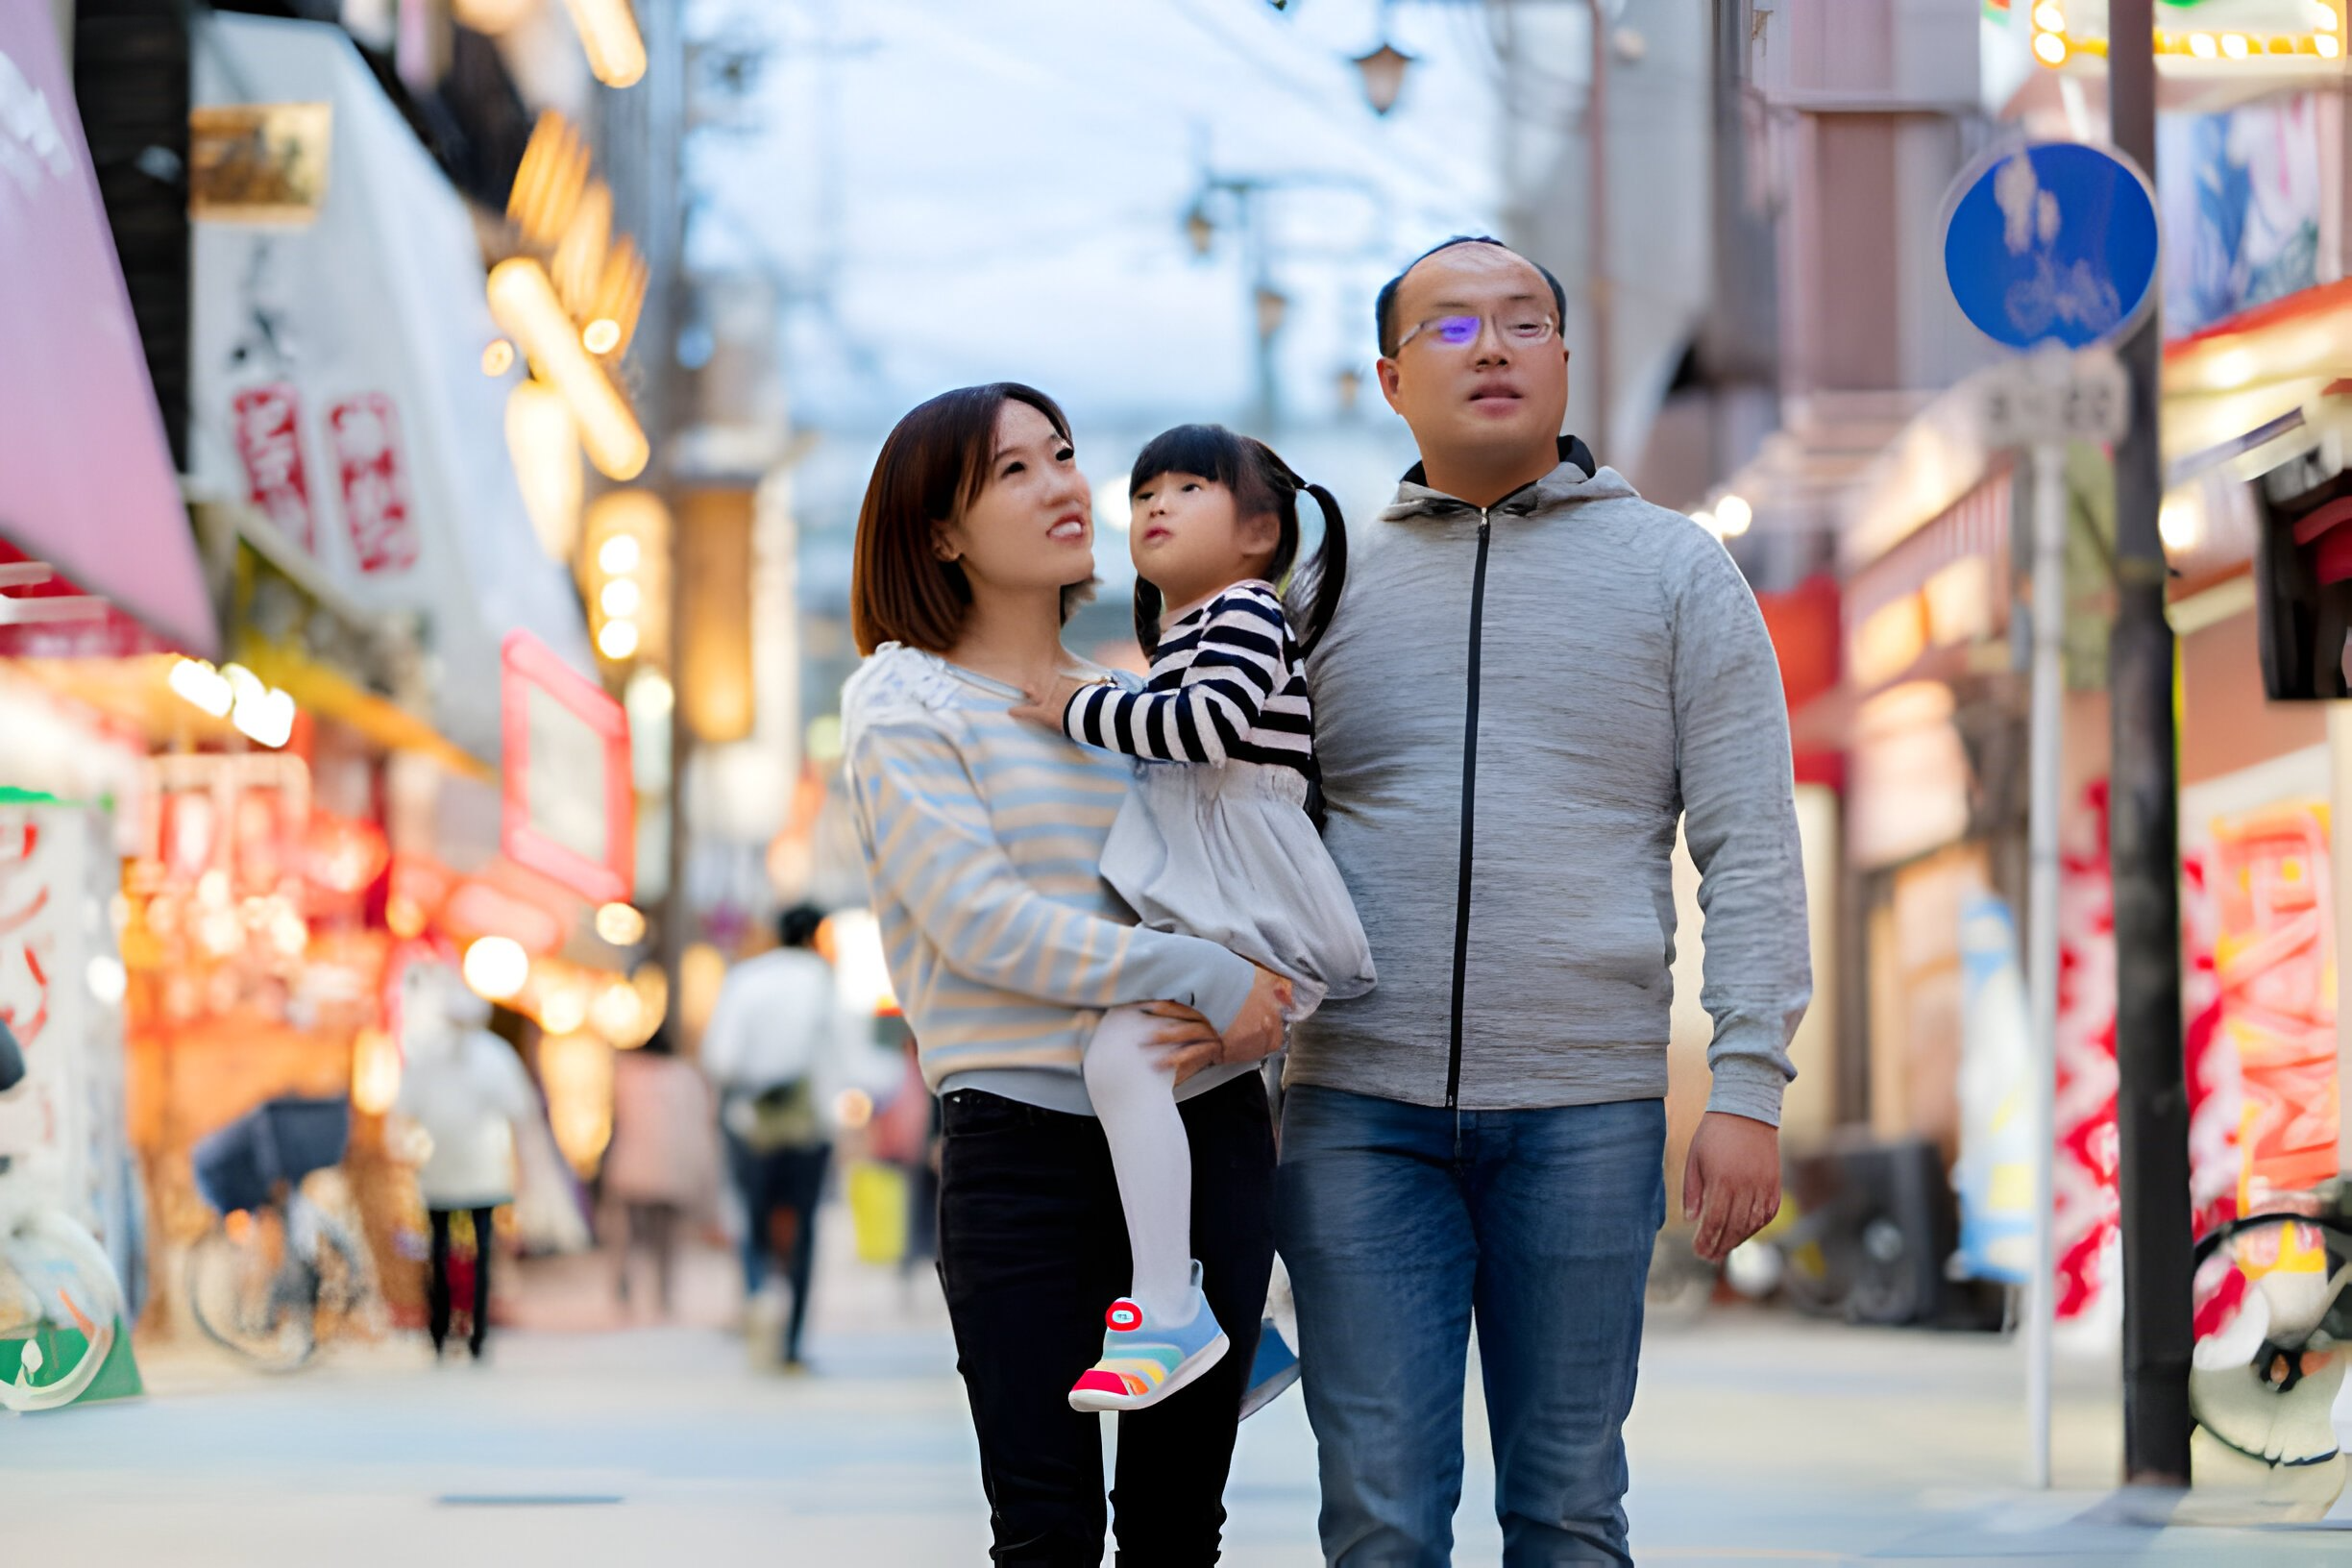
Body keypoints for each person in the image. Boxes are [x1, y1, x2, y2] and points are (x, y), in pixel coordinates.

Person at [1279, 235, 1811, 1565]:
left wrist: (1746, 1086)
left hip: (1587, 1110)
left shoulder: (1679, 573)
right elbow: (1234, 828)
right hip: (1354, 1108)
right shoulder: (1318, 581)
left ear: (1569, 361)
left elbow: (1748, 841)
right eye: (1454, 330)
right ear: (1391, 377)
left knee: (1569, 1507)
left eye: (1525, 322)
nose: (1496, 347)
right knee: (1378, 1515)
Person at [841, 381, 1289, 1564]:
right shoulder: (905, 700)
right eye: (1014, 472)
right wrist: (1198, 970)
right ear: (940, 531)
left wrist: (1255, 1001)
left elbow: (1246, 870)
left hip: (1206, 1134)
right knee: (1044, 1530)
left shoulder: (1137, 700)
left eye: (1065, 456)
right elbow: (985, 925)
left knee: (1179, 1527)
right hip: (1021, 1150)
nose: (1063, 486)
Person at [1011, 423, 1372, 1414]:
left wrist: (1079, 705)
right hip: (1221, 903)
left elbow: (1202, 728)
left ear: (1261, 531)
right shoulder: (1195, 631)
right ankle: (1230, 1330)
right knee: (1144, 1075)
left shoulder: (1246, 613)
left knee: (1124, 1062)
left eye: (1187, 487)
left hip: (1243, 907)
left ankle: (1170, 1306)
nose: (1154, 506)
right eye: (1144, 493)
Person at [700, 901, 861, 1367]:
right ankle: (791, 1339)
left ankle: (758, 1292)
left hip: (751, 1121)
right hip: (808, 1124)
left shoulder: (746, 979)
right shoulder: (824, 983)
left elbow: (720, 1057)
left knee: (753, 1221)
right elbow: (846, 1063)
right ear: (816, 935)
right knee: (805, 1228)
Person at [392, 960, 539, 1361]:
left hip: (448, 1168)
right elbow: (520, 1111)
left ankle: (441, 1331)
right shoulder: (494, 1056)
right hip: (478, 1170)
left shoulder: (431, 1056)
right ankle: (474, 1334)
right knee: (478, 1249)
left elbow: (404, 1112)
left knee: (440, 1248)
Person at [602, 1027, 717, 1320]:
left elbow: (614, 1121)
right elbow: (698, 1125)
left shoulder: (627, 1074)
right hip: (672, 1167)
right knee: (667, 1238)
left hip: (631, 1165)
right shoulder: (685, 1078)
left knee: (626, 1235)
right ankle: (664, 1295)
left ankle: (623, 1289)